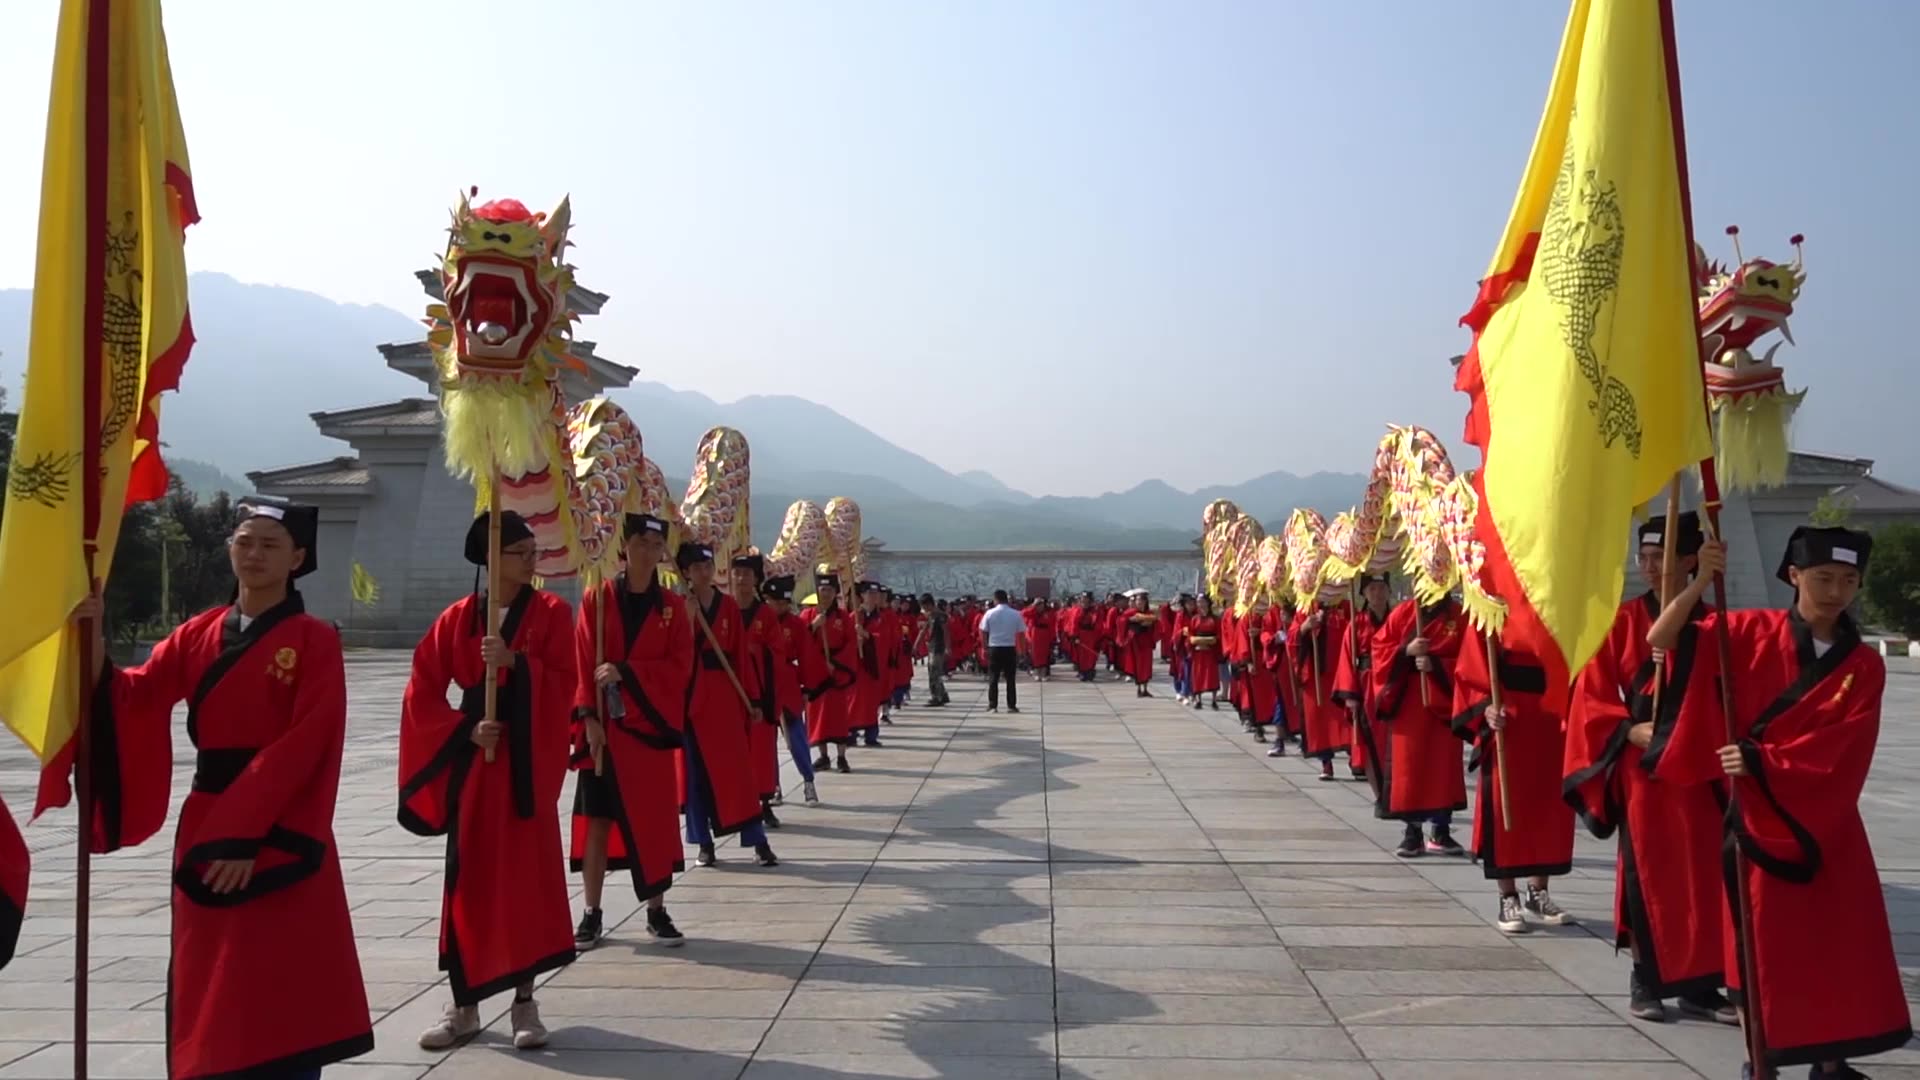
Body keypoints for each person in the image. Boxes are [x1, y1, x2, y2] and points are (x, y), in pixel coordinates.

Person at [71, 498, 373, 1078]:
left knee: (279, 977)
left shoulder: (314, 640)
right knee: (208, 969)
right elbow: (133, 697)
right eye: (244, 541)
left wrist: (243, 835)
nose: (254, 554)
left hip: (281, 824)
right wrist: (94, 642)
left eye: (270, 545)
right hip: (207, 819)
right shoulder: (196, 634)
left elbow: (306, 745)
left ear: (298, 559)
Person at [1651, 528, 1912, 1077]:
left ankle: (1830, 1062)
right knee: (1755, 948)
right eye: (1823, 578)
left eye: (1848, 580)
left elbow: (1844, 748)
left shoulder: (1864, 665)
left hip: (1826, 821)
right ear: (1794, 576)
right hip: (1753, 820)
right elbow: (1664, 637)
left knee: (1831, 943)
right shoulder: (1747, 631)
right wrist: (1700, 578)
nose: (1836, 590)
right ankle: (1759, 1061)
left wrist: (1763, 760)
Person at [403, 511, 577, 1050]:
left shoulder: (550, 612)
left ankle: (525, 1002)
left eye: (532, 551)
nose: (531, 560)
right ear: (490, 557)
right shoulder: (459, 618)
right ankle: (465, 1006)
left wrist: (517, 663)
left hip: (524, 764)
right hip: (476, 764)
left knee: (526, 883)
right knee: (470, 881)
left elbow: (565, 680)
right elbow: (422, 690)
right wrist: (462, 731)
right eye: (520, 551)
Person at [1564, 511, 1734, 1023]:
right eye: (1646, 557)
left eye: (1662, 557)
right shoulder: (1622, 620)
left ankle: (1703, 984)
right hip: (1645, 769)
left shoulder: (1714, 621)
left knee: (1707, 874)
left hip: (1701, 766)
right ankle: (1646, 978)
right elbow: (1591, 694)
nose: (1650, 566)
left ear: (1690, 560)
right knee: (1646, 873)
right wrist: (1623, 729)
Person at [570, 513, 689, 950]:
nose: (647, 552)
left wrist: (627, 671)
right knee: (597, 823)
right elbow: (582, 663)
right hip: (604, 732)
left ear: (663, 553)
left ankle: (656, 910)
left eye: (655, 546)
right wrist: (588, 719)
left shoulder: (673, 609)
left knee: (655, 823)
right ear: (624, 548)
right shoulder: (597, 601)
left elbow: (680, 669)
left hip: (647, 732)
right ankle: (591, 913)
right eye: (639, 542)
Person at [1452, 623, 1577, 935]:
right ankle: (1507, 896)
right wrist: (1486, 707)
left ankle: (1539, 891)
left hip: (1551, 715)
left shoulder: (1557, 602)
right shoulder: (1491, 605)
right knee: (1504, 805)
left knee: (1548, 806)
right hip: (1510, 719)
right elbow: (1471, 668)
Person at [678, 542, 778, 868]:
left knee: (738, 773)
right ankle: (704, 843)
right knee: (696, 775)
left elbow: (741, 659)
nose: (704, 573)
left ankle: (757, 840)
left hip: (725, 694)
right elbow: (672, 657)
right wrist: (686, 621)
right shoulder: (679, 607)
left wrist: (751, 699)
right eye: (696, 568)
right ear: (686, 573)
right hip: (692, 698)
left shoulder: (728, 607)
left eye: (708, 567)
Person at [1369, 593, 1469, 858]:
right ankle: (1412, 832)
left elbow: (1473, 659)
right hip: (1409, 702)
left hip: (1444, 705)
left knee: (1443, 767)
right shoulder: (1404, 612)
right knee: (1410, 767)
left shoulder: (1459, 614)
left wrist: (1437, 665)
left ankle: (1441, 830)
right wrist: (1405, 652)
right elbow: (1379, 647)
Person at [730, 553, 786, 827]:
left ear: (756, 579)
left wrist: (752, 653)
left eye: (747, 574)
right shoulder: (723, 610)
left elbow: (777, 653)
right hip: (729, 695)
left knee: (761, 752)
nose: (741, 579)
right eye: (737, 573)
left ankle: (763, 803)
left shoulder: (765, 614)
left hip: (759, 694)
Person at [763, 575, 821, 806]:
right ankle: (773, 786)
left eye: (784, 603)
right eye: (776, 602)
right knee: (766, 744)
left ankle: (808, 782)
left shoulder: (795, 625)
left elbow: (806, 656)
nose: (780, 607)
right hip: (764, 685)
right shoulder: (760, 621)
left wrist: (808, 685)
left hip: (787, 686)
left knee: (796, 738)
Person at [1334, 573, 1394, 783]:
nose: (1377, 594)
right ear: (1365, 594)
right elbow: (1346, 659)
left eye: (1381, 589)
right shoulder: (1356, 623)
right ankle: (1378, 792)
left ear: (1388, 591)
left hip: (1393, 684)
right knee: (1367, 740)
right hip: (1366, 684)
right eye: (1372, 590)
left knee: (1392, 739)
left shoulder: (1397, 620)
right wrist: (1350, 694)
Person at [1290, 597, 1350, 780]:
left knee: (1346, 718)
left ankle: (1356, 761)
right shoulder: (1305, 608)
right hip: (1315, 673)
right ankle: (1326, 763)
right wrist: (1305, 627)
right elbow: (1292, 638)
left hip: (1339, 669)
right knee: (1319, 720)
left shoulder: (1344, 606)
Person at [804, 573, 858, 773]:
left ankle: (842, 757)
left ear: (835, 593)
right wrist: (813, 626)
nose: (825, 593)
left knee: (838, 716)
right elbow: (800, 641)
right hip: (817, 670)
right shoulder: (808, 615)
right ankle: (823, 755)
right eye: (822, 589)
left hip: (837, 671)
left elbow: (851, 643)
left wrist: (836, 663)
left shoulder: (843, 617)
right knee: (817, 715)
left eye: (829, 590)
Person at [851, 582, 897, 747]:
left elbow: (884, 639)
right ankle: (851, 733)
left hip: (873, 666)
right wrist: (855, 640)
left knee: (872, 701)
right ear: (862, 596)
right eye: (870, 593)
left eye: (876, 593)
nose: (874, 596)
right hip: (857, 666)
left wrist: (867, 636)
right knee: (854, 701)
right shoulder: (854, 617)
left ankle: (871, 735)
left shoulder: (882, 617)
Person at [979, 589, 1027, 713]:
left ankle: (992, 705)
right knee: (1010, 678)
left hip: (994, 647)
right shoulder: (1016, 614)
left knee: (993, 677)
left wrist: (984, 648)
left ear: (996, 599)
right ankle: (1011, 705)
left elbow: (983, 631)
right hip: (1009, 648)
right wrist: (1021, 651)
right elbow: (1021, 633)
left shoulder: (989, 613)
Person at [1183, 595, 1224, 709]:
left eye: (1202, 602)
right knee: (1198, 675)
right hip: (1198, 652)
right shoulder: (1195, 619)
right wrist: (1192, 641)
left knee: (1212, 675)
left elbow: (1219, 635)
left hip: (1211, 651)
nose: (1200, 604)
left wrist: (1212, 641)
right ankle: (1198, 699)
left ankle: (1214, 700)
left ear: (1208, 603)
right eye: (1198, 602)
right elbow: (1191, 634)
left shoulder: (1215, 619)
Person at [1116, 590, 1159, 698]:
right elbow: (1121, 621)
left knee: (1146, 666)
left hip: (1146, 641)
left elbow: (1157, 624)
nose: (1140, 603)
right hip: (1135, 641)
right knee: (1137, 665)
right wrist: (1131, 620)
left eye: (1142, 601)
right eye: (1138, 601)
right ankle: (1139, 688)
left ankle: (1145, 688)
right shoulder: (1130, 612)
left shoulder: (1149, 613)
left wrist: (1149, 622)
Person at [917, 594, 951, 706]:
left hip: (938, 647)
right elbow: (924, 630)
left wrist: (948, 647)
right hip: (932, 646)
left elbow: (946, 632)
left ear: (929, 604)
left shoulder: (940, 616)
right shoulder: (931, 615)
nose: (924, 609)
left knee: (934, 673)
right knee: (933, 672)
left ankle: (936, 697)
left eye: (924, 606)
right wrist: (916, 645)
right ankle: (943, 695)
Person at [1066, 593, 1103, 681]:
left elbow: (1099, 625)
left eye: (1086, 599)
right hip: (1081, 635)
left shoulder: (1096, 611)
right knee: (1081, 655)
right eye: (1083, 599)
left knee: (1091, 655)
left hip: (1092, 635)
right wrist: (1074, 636)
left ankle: (1090, 671)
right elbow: (1074, 624)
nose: (1084, 601)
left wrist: (1099, 637)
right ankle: (1082, 672)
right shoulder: (1078, 610)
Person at [1026, 596, 1057, 680]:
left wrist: (1053, 638)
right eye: (1038, 604)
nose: (1040, 606)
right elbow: (1023, 614)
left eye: (1041, 604)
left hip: (1045, 634)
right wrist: (1033, 606)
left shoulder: (1049, 612)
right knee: (1035, 654)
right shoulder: (1033, 612)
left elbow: (1052, 625)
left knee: (1045, 654)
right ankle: (1036, 673)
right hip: (1035, 634)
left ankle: (1044, 673)